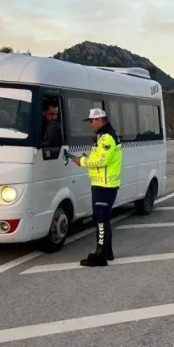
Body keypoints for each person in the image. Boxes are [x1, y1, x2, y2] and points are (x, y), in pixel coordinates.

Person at [73, 107, 123, 267]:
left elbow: (102, 161)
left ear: (100, 120)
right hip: (102, 184)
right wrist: (87, 158)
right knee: (102, 220)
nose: (90, 124)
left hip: (105, 186)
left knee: (100, 221)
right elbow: (97, 158)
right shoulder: (103, 137)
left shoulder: (107, 138)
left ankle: (100, 255)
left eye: (92, 121)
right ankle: (107, 251)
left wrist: (82, 161)